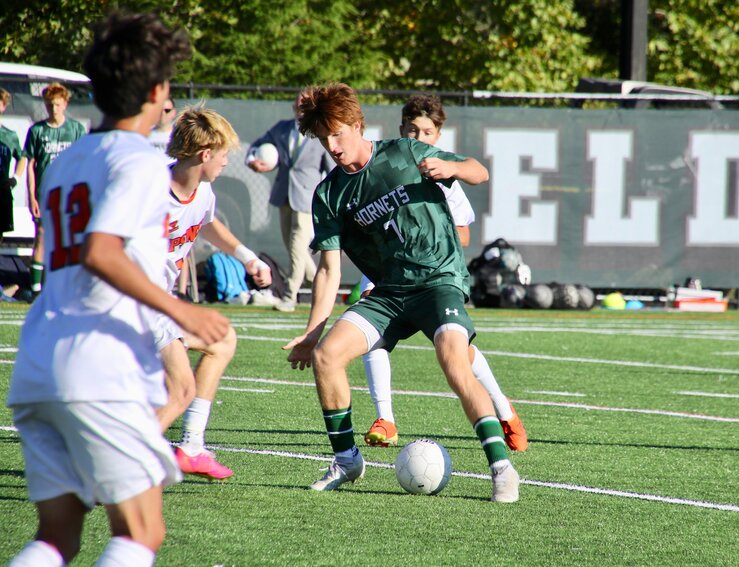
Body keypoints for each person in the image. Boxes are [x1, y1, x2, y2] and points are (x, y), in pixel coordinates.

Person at [6, 12, 230, 567]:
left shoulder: (69, 160)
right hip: (99, 363)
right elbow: (101, 251)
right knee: (140, 533)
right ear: (156, 92)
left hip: (40, 359)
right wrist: (183, 311)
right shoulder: (139, 163)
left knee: (57, 539)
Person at [284, 82, 520, 503]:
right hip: (389, 293)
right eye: (324, 139)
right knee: (326, 357)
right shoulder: (329, 194)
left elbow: (478, 171)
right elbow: (328, 270)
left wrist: (453, 169)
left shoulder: (404, 152)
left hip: (437, 282)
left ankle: (501, 467)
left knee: (452, 358)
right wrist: (312, 332)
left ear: (358, 126)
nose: (333, 146)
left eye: (338, 133)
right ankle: (347, 460)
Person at [360, 94, 528, 452]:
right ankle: (385, 418)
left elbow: (467, 216)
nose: (419, 138)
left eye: (427, 132)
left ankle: (502, 407)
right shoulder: (386, 161)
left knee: (459, 351)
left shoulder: (439, 169)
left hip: (434, 274)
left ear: (438, 135)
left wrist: (447, 181)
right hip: (386, 267)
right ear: (401, 130)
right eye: (412, 130)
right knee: (371, 335)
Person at [153, 105, 272, 479]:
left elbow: (207, 225)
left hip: (160, 305)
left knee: (221, 340)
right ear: (205, 154)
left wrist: (247, 257)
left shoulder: (203, 193)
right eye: (223, 156)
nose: (225, 163)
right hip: (137, 304)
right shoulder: (151, 193)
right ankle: (114, 466)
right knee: (178, 390)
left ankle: (190, 446)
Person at [246, 91, 334, 312]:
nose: (300, 106)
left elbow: (331, 168)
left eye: (305, 103)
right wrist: (253, 161)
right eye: (298, 103)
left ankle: (289, 296)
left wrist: (331, 197)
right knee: (293, 246)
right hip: (283, 194)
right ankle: (319, 284)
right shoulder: (282, 128)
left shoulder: (320, 131)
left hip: (307, 197)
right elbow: (256, 146)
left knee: (297, 244)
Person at [23, 82, 87, 296]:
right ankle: (35, 290)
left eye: (58, 104)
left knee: (68, 238)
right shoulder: (37, 131)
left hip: (68, 193)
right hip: (44, 193)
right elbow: (30, 165)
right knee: (41, 236)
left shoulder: (75, 129)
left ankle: (65, 286)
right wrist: (31, 196)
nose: (54, 109)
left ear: (65, 104)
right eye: (50, 105)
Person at [0, 88, 27, 238]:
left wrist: (15, 178)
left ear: (3, 106)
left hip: (2, 191)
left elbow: (22, 157)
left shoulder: (9, 135)